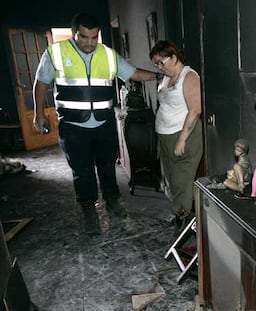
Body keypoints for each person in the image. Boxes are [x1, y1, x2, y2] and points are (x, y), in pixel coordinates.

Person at [33, 13, 161, 224]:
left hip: (104, 124)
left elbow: (133, 73)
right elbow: (41, 84)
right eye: (84, 37)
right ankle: (88, 209)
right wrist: (38, 115)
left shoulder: (108, 55)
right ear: (75, 34)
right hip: (73, 125)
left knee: (107, 166)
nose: (90, 42)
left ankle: (113, 201)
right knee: (82, 170)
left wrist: (159, 75)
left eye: (94, 37)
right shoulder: (56, 52)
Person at [149, 41, 203, 232]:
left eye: (161, 62)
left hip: (183, 135)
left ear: (174, 57)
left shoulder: (189, 76)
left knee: (182, 179)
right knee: (171, 178)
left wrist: (182, 139)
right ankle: (180, 215)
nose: (159, 67)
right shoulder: (165, 77)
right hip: (166, 134)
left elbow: (195, 110)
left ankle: (186, 222)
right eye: (156, 64)